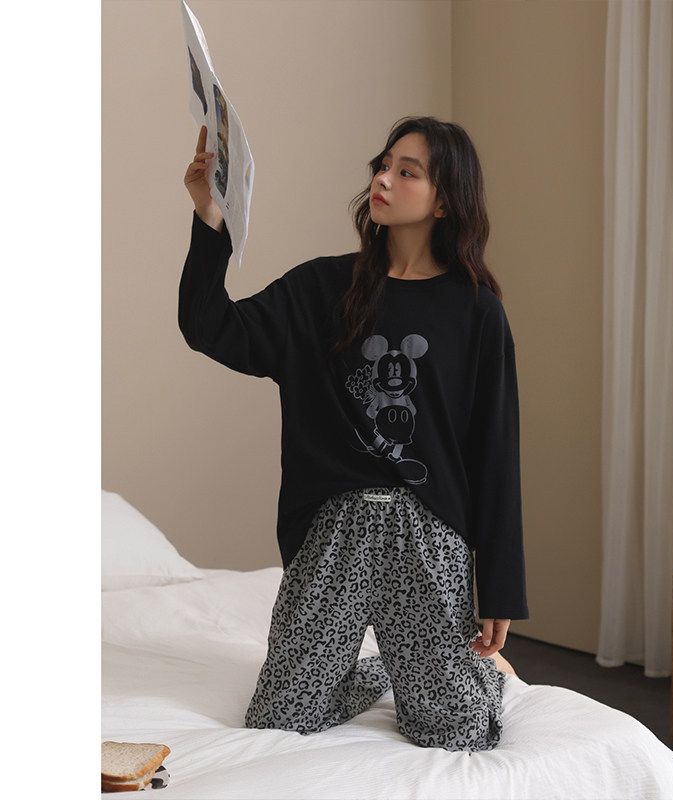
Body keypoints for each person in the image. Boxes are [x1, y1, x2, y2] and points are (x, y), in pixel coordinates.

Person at [179, 116, 528, 752]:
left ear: (445, 200)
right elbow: (209, 326)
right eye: (383, 166)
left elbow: (496, 453)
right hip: (331, 529)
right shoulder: (321, 287)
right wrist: (210, 218)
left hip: (429, 533)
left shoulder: (478, 310)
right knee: (282, 717)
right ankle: (381, 672)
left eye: (407, 171)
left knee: (457, 731)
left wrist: (500, 587)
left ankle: (463, 676)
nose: (383, 180)